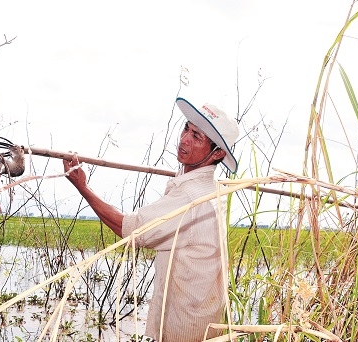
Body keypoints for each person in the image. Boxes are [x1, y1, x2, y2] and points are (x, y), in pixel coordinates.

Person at [63, 97, 240, 341]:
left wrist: (82, 187)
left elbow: (131, 229)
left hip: (185, 324)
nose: (184, 139)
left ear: (217, 153)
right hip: (203, 315)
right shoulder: (209, 188)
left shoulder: (191, 196)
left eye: (196, 137)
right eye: (186, 128)